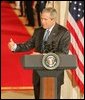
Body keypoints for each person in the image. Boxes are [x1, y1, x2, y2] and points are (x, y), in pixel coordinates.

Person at [8, 7, 71, 99]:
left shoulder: (63, 33)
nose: (42, 21)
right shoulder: (38, 31)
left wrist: (43, 56)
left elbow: (63, 53)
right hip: (38, 74)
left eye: (45, 19)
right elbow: (28, 45)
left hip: (54, 75)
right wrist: (15, 47)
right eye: (41, 18)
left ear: (53, 19)